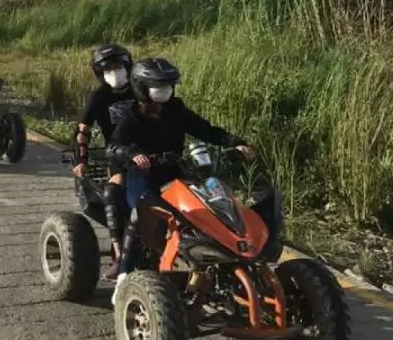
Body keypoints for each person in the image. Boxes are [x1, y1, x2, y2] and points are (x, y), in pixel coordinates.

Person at [112, 57, 256, 287]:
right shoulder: (131, 116)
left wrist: (235, 142)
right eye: (159, 87)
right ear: (141, 88)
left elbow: (205, 130)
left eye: (169, 86)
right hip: (144, 175)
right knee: (142, 213)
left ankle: (212, 265)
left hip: (175, 172)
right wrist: (132, 155)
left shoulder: (175, 109)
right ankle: (124, 274)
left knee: (210, 206)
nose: (166, 91)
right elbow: (115, 146)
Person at [72, 44, 134, 280]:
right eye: (108, 69)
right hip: (118, 154)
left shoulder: (141, 89)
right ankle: (120, 255)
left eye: (118, 67)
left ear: (128, 66)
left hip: (150, 150)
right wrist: (82, 159)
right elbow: (83, 130)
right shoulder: (98, 97)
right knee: (114, 194)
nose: (114, 72)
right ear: (100, 72)